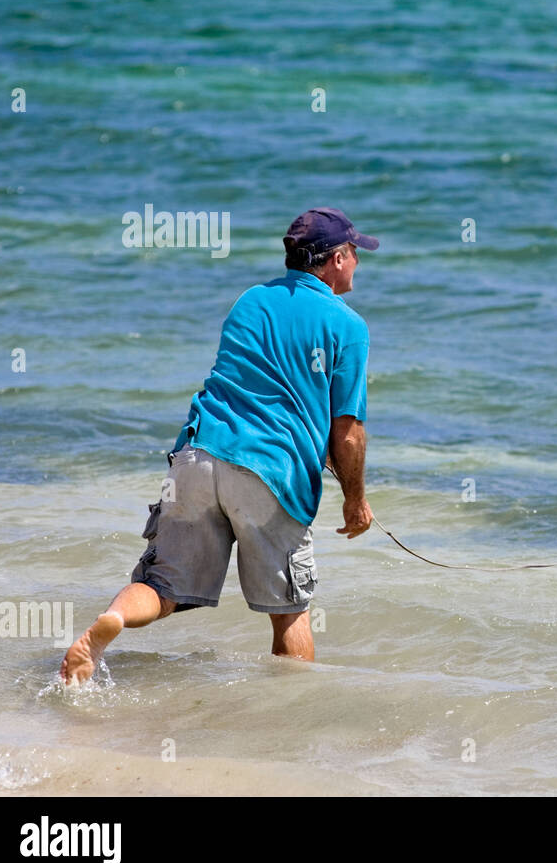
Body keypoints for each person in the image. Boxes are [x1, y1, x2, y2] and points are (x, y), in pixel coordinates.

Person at [60, 207, 378, 684]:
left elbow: (257, 382)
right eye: (354, 252)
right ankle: (293, 726)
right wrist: (356, 501)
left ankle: (114, 622)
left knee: (160, 587)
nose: (357, 261)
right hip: (271, 473)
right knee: (290, 612)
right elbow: (347, 431)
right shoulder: (347, 325)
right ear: (335, 259)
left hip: (199, 455)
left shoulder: (250, 300)